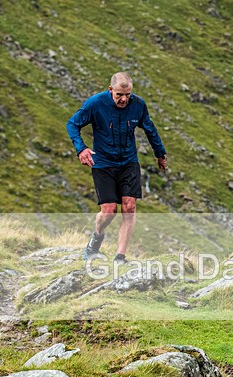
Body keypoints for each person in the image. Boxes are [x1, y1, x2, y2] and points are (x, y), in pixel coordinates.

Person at [66, 72, 167, 263]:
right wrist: (81, 149)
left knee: (129, 206)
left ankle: (120, 256)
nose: (124, 99)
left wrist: (160, 154)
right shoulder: (95, 104)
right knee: (109, 211)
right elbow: (72, 124)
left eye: (127, 95)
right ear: (110, 89)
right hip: (103, 163)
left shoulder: (138, 104)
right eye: (119, 95)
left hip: (128, 162)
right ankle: (97, 236)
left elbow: (150, 129)